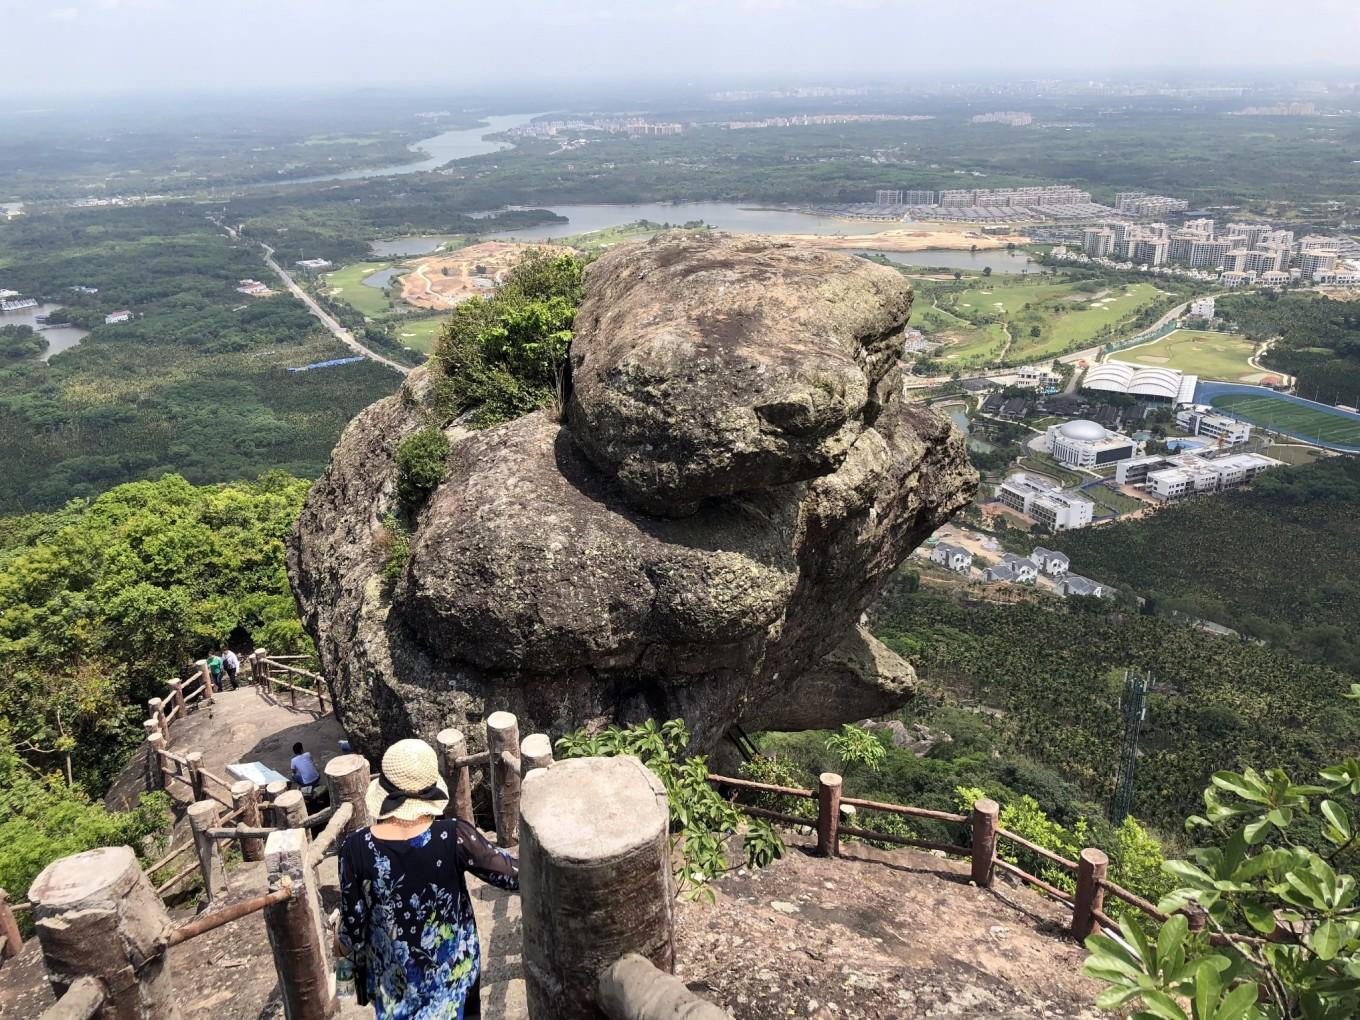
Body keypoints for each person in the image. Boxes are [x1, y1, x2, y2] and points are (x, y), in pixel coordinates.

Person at [338, 738, 518, 1018]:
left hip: (393, 985)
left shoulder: (354, 848)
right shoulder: (454, 836)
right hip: (454, 980)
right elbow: (511, 875)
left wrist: (341, 948)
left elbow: (353, 925)